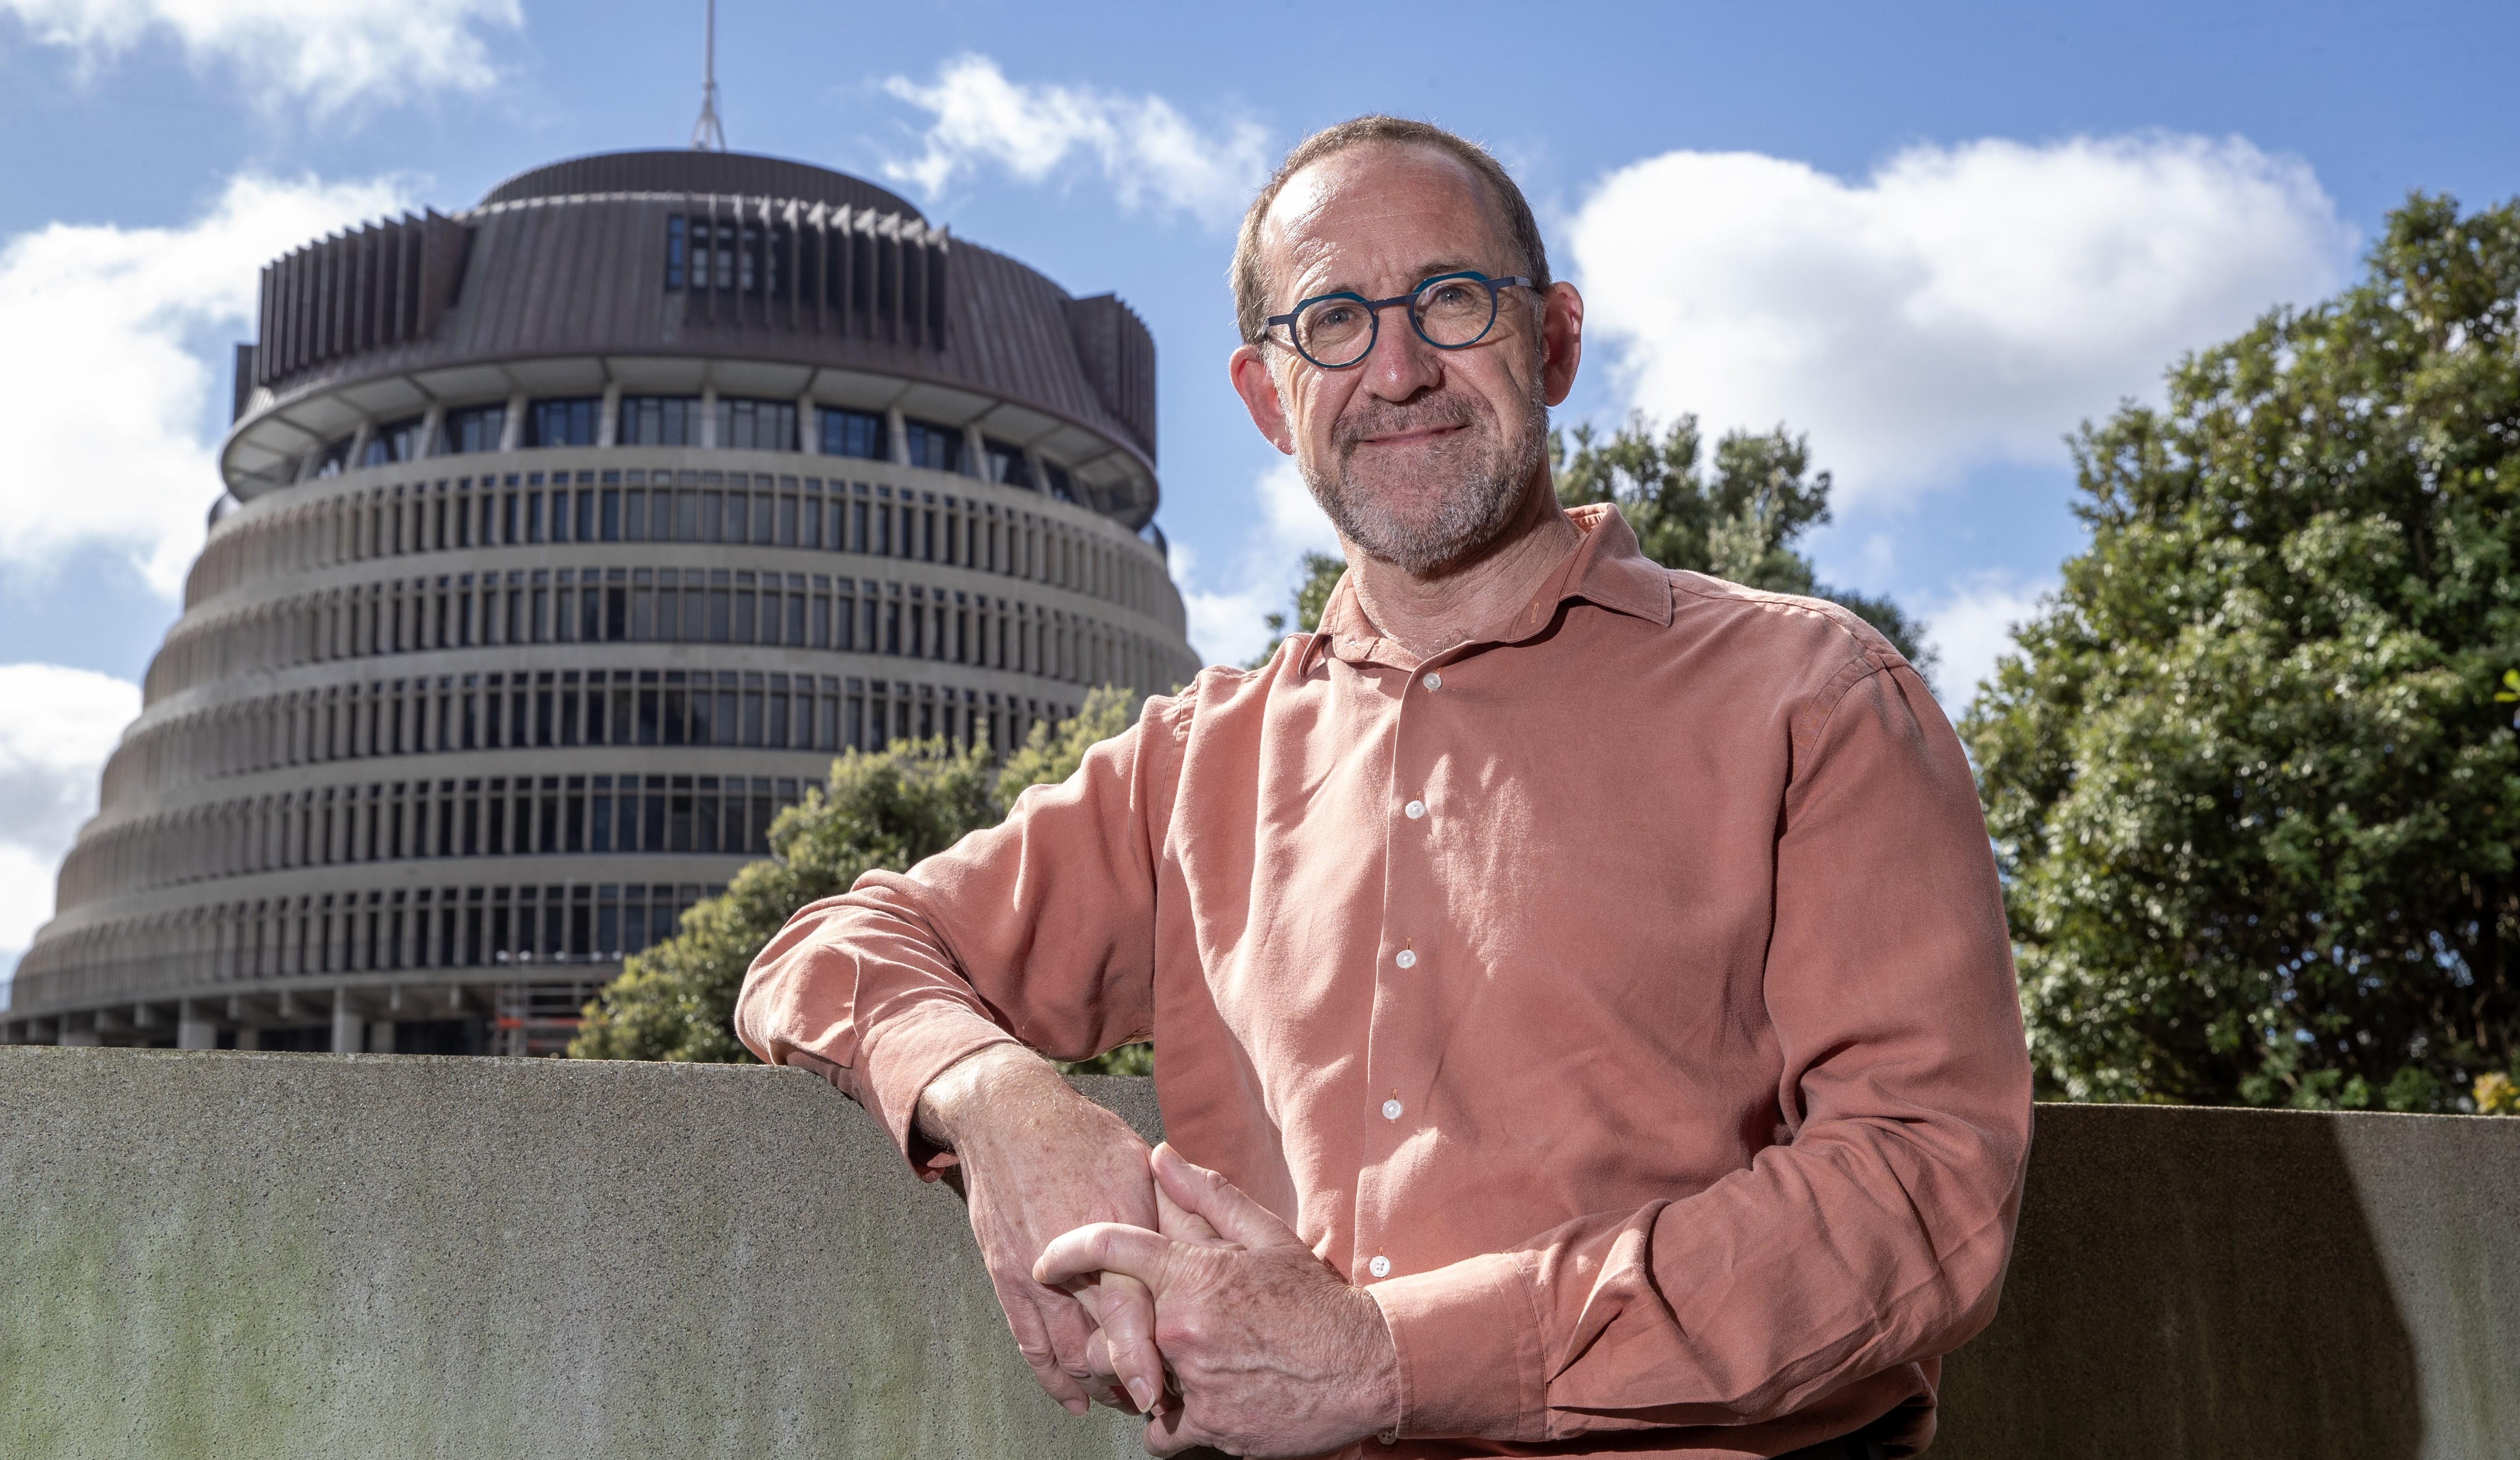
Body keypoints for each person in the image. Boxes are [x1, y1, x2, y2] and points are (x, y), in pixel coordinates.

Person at [737, 115, 2033, 1460]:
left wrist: (1387, 1358)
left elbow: (1925, 1198)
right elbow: (826, 949)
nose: (1398, 368)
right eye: (1334, 323)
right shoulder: (1193, 762)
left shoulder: (1815, 695)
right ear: (1265, 397)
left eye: (1451, 300)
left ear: (1556, 340)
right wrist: (998, 1099)